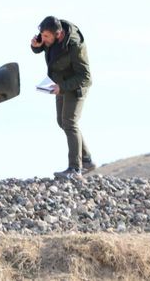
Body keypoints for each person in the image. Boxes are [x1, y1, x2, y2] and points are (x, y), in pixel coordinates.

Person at [31, 16, 95, 180]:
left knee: (69, 122)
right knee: (62, 121)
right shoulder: (51, 39)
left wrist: (63, 87)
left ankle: (75, 169)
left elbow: (85, 77)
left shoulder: (74, 45)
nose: (43, 39)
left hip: (76, 85)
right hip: (60, 83)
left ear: (58, 34)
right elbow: (47, 50)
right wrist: (36, 47)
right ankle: (86, 160)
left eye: (46, 37)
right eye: (42, 36)